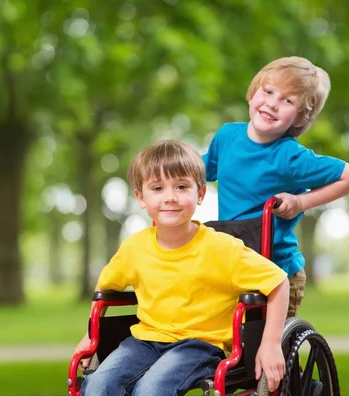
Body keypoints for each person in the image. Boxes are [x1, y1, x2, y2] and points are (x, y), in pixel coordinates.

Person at [73, 140, 290, 395]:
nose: (170, 197)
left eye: (181, 186)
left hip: (199, 345)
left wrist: (271, 343)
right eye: (157, 188)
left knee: (151, 389)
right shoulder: (134, 248)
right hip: (144, 341)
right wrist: (91, 335)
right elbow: (105, 287)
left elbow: (278, 283)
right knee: (97, 385)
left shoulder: (222, 248)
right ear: (141, 197)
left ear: (199, 194)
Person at [203, 56, 349, 318]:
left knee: (267, 349)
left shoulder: (290, 157)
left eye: (287, 101)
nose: (272, 104)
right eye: (268, 91)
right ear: (254, 91)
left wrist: (300, 202)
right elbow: (199, 171)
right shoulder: (226, 137)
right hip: (234, 264)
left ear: (300, 117)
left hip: (277, 271)